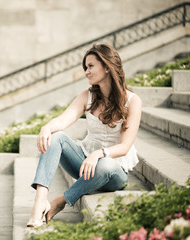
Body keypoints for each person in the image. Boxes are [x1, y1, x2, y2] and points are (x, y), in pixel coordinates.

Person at [26, 43, 142, 228]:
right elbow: (63, 120)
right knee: (57, 137)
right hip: (84, 166)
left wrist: (98, 154)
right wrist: (46, 127)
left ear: (106, 66)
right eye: (85, 67)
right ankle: (40, 200)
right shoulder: (87, 96)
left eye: (90, 66)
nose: (86, 71)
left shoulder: (132, 101)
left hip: (112, 171)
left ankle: (60, 201)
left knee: (105, 164)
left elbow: (125, 147)